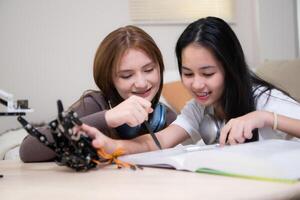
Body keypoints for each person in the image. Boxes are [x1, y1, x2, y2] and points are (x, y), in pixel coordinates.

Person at [76, 17, 300, 155]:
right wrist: (110, 146)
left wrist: (265, 117)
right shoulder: (197, 108)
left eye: (208, 73)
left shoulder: (264, 98)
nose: (197, 84)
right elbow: (158, 142)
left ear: (230, 68)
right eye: (187, 73)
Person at [19, 25, 177, 162]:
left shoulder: (166, 117)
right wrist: (107, 118)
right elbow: (27, 150)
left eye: (149, 70)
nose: (141, 83)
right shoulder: (94, 104)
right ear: (109, 79)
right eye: (127, 75)